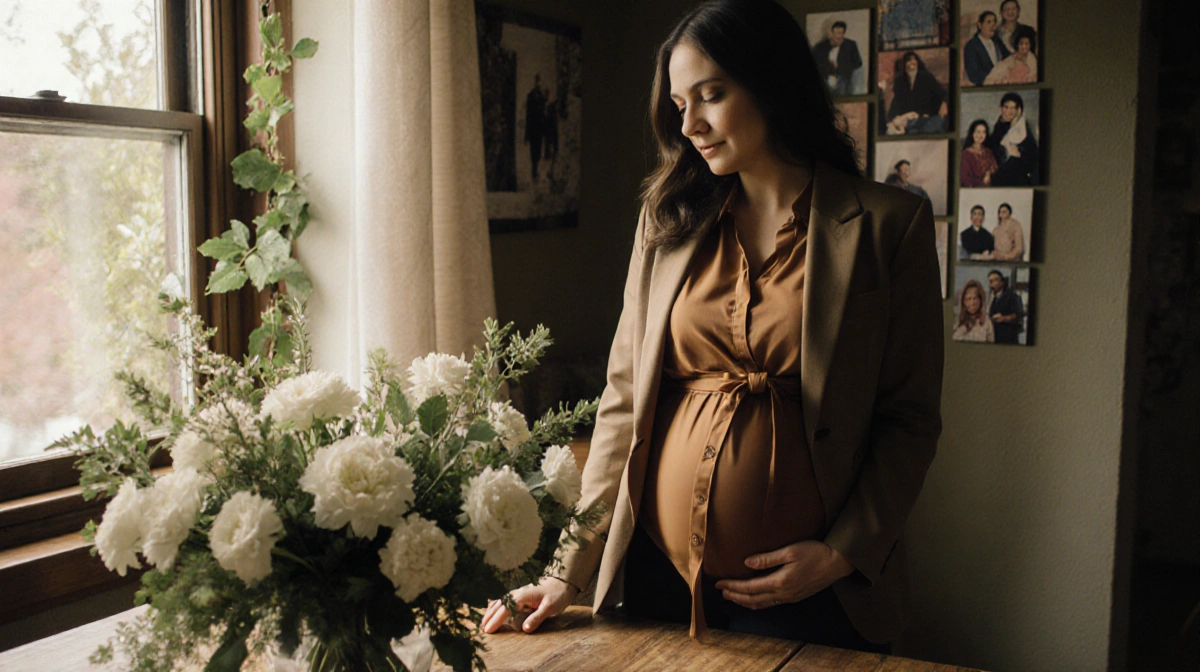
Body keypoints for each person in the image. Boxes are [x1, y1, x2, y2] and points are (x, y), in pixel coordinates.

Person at [483, 0, 943, 654]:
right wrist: (565, 572)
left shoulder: (889, 224)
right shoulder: (666, 220)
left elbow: (910, 419)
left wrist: (842, 554)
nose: (691, 123)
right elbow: (622, 406)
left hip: (810, 590)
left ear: (772, 83)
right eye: (679, 104)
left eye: (712, 95)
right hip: (658, 575)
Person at [882, 51, 948, 135]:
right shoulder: (900, 82)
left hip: (926, 118)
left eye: (914, 60)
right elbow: (896, 103)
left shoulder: (926, 77)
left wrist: (944, 104)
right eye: (909, 60)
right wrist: (895, 120)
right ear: (904, 65)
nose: (912, 62)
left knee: (935, 123)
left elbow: (943, 94)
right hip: (908, 121)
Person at [986, 92, 1039, 185]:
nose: (1008, 111)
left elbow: (1032, 158)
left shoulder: (1024, 130)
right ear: (1001, 108)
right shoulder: (999, 127)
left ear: (1018, 110)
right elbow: (991, 149)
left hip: (1018, 175)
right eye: (1006, 107)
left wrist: (1019, 155)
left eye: (1012, 108)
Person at [813, 21, 863, 96]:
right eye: (835, 33)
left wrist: (841, 66)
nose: (837, 36)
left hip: (843, 79)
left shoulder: (851, 45)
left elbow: (858, 63)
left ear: (844, 34)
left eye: (840, 33)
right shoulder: (820, 46)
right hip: (826, 78)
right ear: (831, 33)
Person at [962, 11, 1010, 87]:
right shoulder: (971, 46)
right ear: (979, 25)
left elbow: (1009, 58)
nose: (993, 25)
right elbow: (973, 75)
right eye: (989, 22)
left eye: (994, 22)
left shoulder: (997, 42)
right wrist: (994, 77)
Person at [987, 269, 1025, 344]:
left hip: (1008, 336)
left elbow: (1019, 314)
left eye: (996, 280)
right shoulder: (991, 297)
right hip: (994, 336)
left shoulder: (1012, 296)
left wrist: (1004, 318)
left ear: (1002, 282)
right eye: (991, 281)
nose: (993, 284)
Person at [960, 119, 999, 187]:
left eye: (984, 132)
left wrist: (989, 173)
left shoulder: (988, 152)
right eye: (978, 132)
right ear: (972, 133)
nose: (981, 135)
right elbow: (964, 178)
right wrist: (982, 182)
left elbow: (995, 169)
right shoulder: (966, 154)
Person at [524, 74, 547, 179]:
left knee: (539, 150)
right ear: (535, 82)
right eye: (538, 81)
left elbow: (544, 112)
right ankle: (534, 171)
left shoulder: (543, 96)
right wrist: (526, 135)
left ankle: (536, 169)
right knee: (533, 151)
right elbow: (528, 115)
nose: (539, 83)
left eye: (540, 81)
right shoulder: (531, 95)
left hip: (541, 128)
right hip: (533, 128)